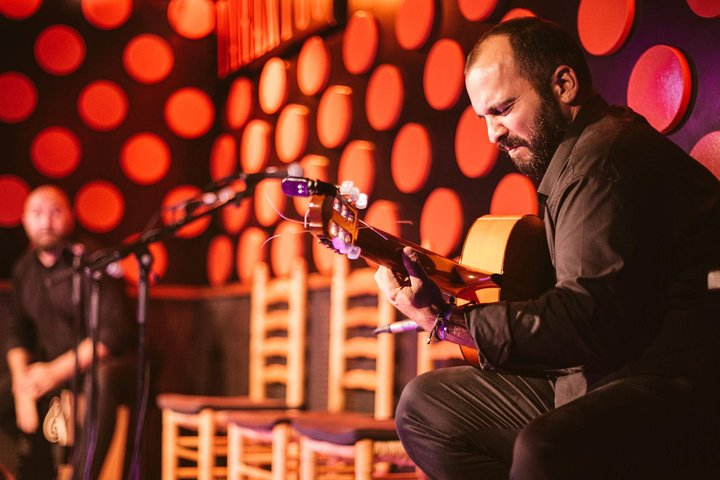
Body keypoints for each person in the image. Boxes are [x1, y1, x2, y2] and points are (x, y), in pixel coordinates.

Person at [375, 17, 720, 480]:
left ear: (563, 84)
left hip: (674, 383)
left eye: (502, 109)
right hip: (608, 368)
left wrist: (449, 322)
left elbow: (589, 316)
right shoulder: (579, 155)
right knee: (426, 405)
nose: (492, 134)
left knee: (545, 448)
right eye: (484, 118)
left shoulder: (604, 160)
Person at [0, 185, 136, 479]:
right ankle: (25, 471)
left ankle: (83, 475)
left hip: (103, 366)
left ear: (70, 215)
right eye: (37, 213)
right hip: (48, 368)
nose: (46, 222)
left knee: (104, 377)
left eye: (54, 211)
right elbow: (15, 331)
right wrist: (23, 383)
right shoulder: (24, 270)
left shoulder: (92, 260)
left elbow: (111, 333)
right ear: (24, 220)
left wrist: (54, 373)